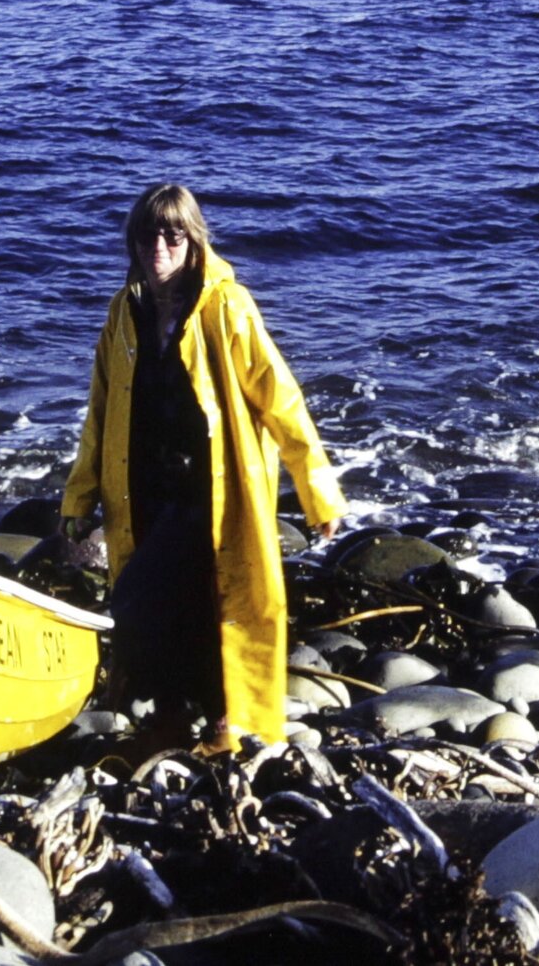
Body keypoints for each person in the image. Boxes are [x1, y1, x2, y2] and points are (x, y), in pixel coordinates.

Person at [62, 184, 345, 753]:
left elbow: (279, 397)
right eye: (148, 235)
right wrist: (79, 497)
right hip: (143, 484)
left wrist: (318, 492)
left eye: (172, 235)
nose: (158, 248)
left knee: (192, 601)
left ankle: (224, 721)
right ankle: (170, 714)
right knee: (164, 603)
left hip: (211, 488)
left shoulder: (225, 307)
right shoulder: (125, 313)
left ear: (194, 242)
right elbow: (100, 409)